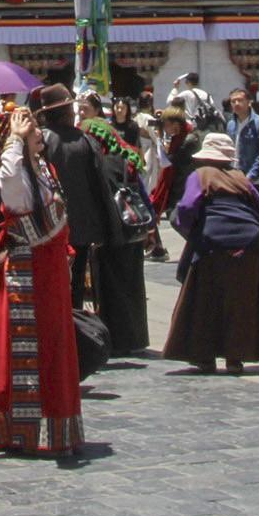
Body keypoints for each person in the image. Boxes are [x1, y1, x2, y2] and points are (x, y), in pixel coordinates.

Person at [0, 98, 83, 458]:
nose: (38, 132)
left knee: (53, 342)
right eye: (31, 128)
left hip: (49, 269)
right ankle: (20, 428)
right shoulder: (16, 171)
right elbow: (7, 181)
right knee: (25, 345)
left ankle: (53, 423)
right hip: (26, 271)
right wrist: (14, 139)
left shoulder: (43, 168)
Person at [163, 131, 259, 373]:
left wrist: (192, 231)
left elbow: (186, 208)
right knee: (240, 302)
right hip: (249, 243)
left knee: (205, 300)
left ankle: (203, 356)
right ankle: (234, 357)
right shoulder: (241, 178)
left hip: (212, 241)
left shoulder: (199, 175)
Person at [74, 110, 151, 356]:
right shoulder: (127, 158)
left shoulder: (99, 163)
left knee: (110, 287)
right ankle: (136, 337)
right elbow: (142, 194)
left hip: (110, 232)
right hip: (132, 229)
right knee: (133, 286)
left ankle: (116, 339)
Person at [36, 86, 118, 314]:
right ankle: (75, 325)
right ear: (66, 112)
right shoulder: (85, 140)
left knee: (52, 279)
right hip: (82, 224)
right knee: (77, 280)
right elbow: (99, 184)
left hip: (50, 224)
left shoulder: (40, 141)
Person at [227, 89, 259, 188]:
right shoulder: (230, 125)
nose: (236, 103)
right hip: (235, 177)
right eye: (233, 101)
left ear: (249, 102)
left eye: (240, 100)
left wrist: (250, 176)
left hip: (256, 180)